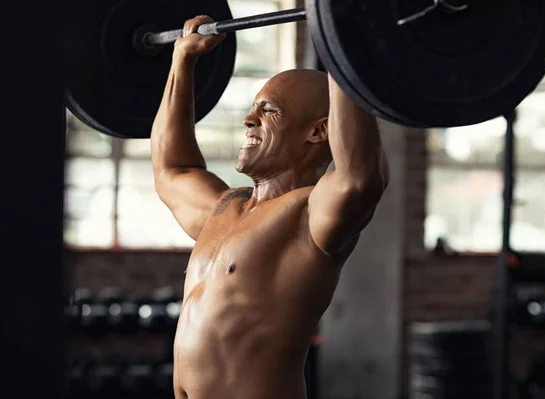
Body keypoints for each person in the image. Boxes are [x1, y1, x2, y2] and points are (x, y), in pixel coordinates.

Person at [150, 15, 389, 399]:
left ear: (318, 131)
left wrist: (341, 38)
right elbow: (171, 169)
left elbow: (359, 176)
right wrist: (182, 59)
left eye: (269, 111)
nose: (249, 120)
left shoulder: (309, 217)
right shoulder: (225, 209)